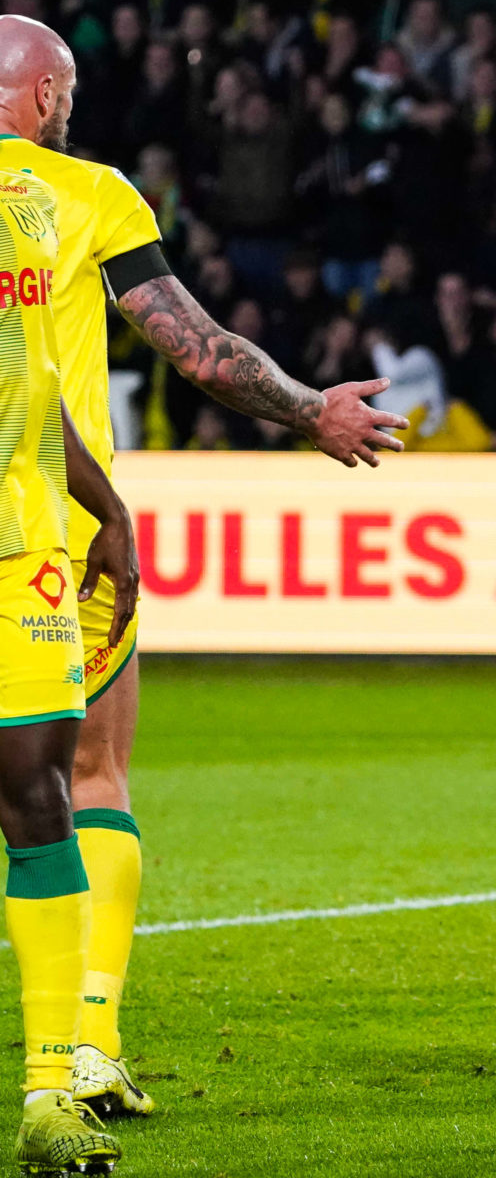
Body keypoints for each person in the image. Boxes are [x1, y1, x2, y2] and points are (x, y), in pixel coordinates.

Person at [0, 14, 407, 1122]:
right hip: (51, 532)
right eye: (66, 91)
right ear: (42, 98)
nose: (70, 107)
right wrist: (309, 408)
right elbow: (196, 348)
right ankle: (84, 1045)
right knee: (86, 777)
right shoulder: (87, 194)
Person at [0, 132, 138, 1178]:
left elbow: (38, 389)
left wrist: (106, 511)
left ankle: (49, 1093)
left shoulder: (25, 209)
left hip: (21, 545)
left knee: (37, 790)